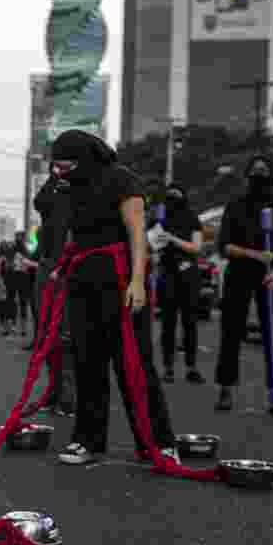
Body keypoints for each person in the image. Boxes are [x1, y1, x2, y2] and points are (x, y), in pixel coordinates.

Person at [46, 130, 179, 466]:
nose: (60, 173)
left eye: (65, 166)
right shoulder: (72, 188)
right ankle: (88, 440)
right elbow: (79, 235)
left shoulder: (122, 180)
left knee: (133, 361)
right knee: (87, 361)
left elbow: (137, 234)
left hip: (120, 277)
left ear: (84, 157)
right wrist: (62, 267)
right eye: (57, 168)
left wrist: (137, 281)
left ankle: (158, 442)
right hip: (83, 278)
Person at [212, 155, 273, 412]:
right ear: (248, 176)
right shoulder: (235, 206)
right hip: (239, 273)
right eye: (255, 170)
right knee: (231, 331)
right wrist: (256, 255)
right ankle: (226, 389)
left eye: (264, 170)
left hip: (270, 276)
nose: (259, 174)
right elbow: (225, 246)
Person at [31, 177, 76, 416]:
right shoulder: (50, 200)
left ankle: (68, 397)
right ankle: (54, 392)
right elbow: (38, 201)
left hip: (69, 269)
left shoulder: (82, 197)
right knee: (47, 334)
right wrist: (54, 176)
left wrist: (64, 267)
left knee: (66, 336)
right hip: (47, 267)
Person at [152, 184, 206, 384]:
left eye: (176, 195)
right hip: (168, 275)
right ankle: (168, 367)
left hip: (188, 275)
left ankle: (192, 367)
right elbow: (151, 243)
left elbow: (196, 247)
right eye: (169, 196)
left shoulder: (192, 218)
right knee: (168, 323)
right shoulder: (160, 218)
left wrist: (172, 239)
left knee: (190, 322)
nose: (173, 199)